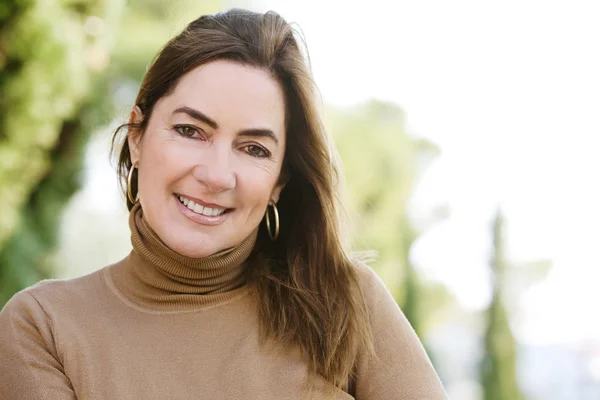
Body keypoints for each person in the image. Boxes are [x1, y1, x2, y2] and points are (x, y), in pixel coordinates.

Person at [0, 9, 447, 400]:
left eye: (254, 149)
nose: (216, 175)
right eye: (190, 131)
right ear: (137, 137)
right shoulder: (43, 329)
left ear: (279, 182)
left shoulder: (348, 305)